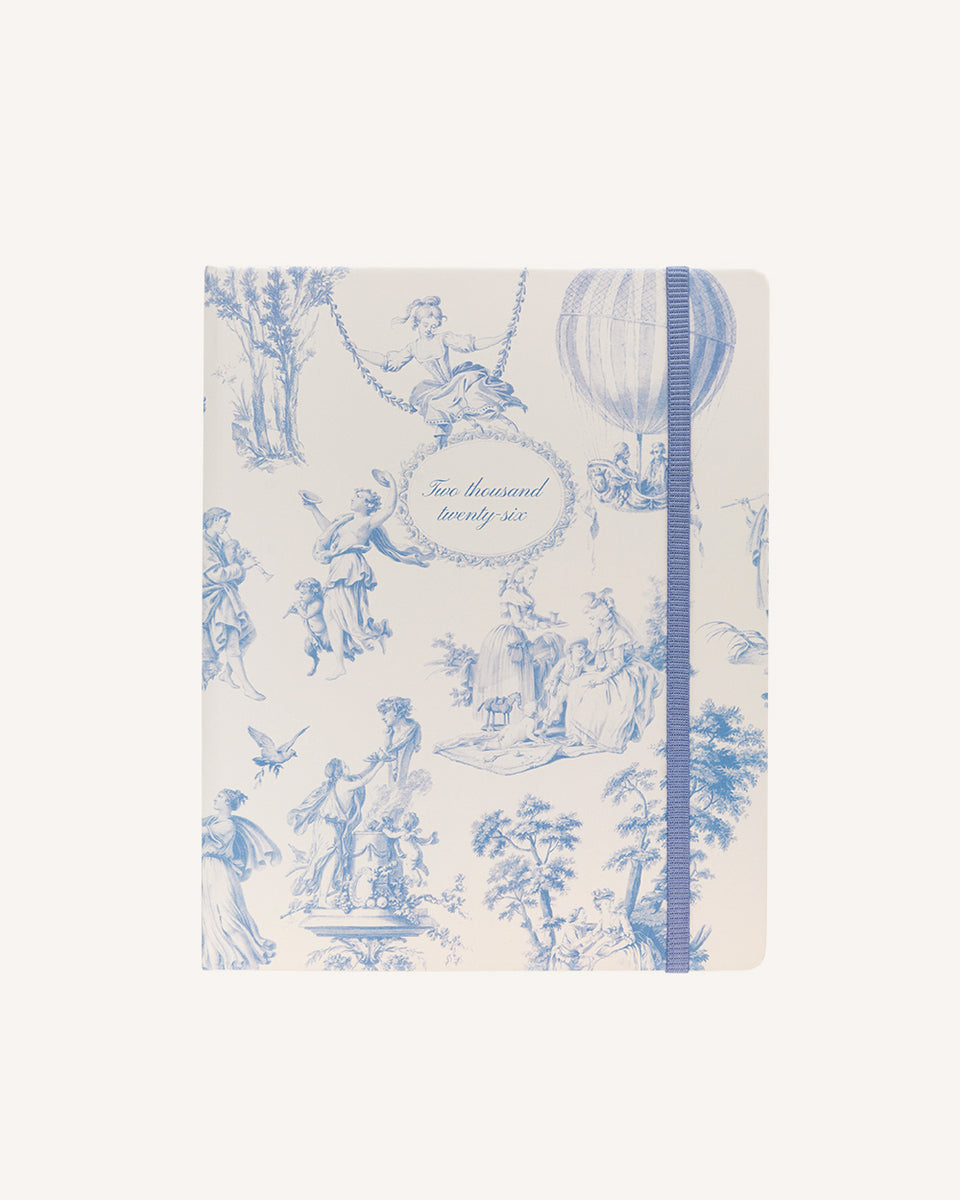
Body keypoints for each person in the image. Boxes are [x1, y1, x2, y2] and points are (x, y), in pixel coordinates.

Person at [300, 472, 429, 679]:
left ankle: (376, 634)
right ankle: (339, 665)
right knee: (330, 614)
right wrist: (313, 508)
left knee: (349, 615)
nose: (353, 498)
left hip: (350, 568)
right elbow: (327, 531)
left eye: (359, 496)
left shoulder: (367, 522)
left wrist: (391, 483)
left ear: (368, 505)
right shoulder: (345, 521)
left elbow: (388, 509)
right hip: (336, 566)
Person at [357, 296, 525, 443]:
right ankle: (442, 445)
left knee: (478, 402)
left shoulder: (443, 338)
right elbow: (387, 362)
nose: (430, 329)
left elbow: (472, 344)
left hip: (457, 382)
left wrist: (502, 337)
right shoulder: (413, 348)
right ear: (416, 324)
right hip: (438, 389)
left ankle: (509, 428)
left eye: (434, 326)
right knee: (435, 405)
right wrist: (357, 351)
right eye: (426, 325)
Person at [565, 591, 660, 752]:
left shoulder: (618, 634)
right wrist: (588, 669)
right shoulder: (596, 635)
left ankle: (593, 737)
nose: (590, 622)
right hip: (602, 671)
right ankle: (576, 734)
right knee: (576, 686)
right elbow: (598, 660)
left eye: (592, 618)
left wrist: (602, 677)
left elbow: (618, 662)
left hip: (618, 675)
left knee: (597, 695)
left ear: (602, 619)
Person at [286, 757, 384, 909]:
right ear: (339, 771)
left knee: (332, 863)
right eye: (345, 766)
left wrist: (374, 763)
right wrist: (381, 763)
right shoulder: (343, 784)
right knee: (327, 851)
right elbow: (364, 781)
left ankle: (321, 898)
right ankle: (309, 874)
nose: (348, 766)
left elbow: (361, 776)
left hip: (334, 826)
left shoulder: (345, 781)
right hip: (327, 825)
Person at [202, 789, 280, 969]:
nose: (215, 798)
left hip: (219, 871)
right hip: (207, 871)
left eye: (220, 797)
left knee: (230, 921)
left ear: (228, 803)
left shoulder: (227, 825)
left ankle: (252, 964)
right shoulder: (213, 822)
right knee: (210, 923)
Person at [201, 508, 265, 700]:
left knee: (249, 634)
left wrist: (238, 560)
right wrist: (241, 566)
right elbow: (217, 575)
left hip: (228, 596)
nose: (226, 525)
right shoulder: (203, 544)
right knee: (231, 641)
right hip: (215, 599)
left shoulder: (220, 542)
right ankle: (246, 686)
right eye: (224, 521)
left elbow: (233, 578)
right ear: (213, 520)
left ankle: (227, 673)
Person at [283, 578, 330, 676]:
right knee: (308, 648)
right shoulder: (307, 604)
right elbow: (305, 616)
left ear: (313, 593)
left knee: (332, 648)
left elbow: (306, 615)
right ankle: (315, 661)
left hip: (324, 634)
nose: (301, 596)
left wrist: (298, 607)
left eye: (303, 594)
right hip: (314, 634)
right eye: (300, 594)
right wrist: (296, 612)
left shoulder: (318, 603)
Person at [376, 697, 422, 787]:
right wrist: (386, 738)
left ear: (398, 711)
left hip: (409, 781)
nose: (382, 718)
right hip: (390, 782)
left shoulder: (414, 729)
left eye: (385, 712)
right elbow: (386, 755)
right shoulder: (388, 733)